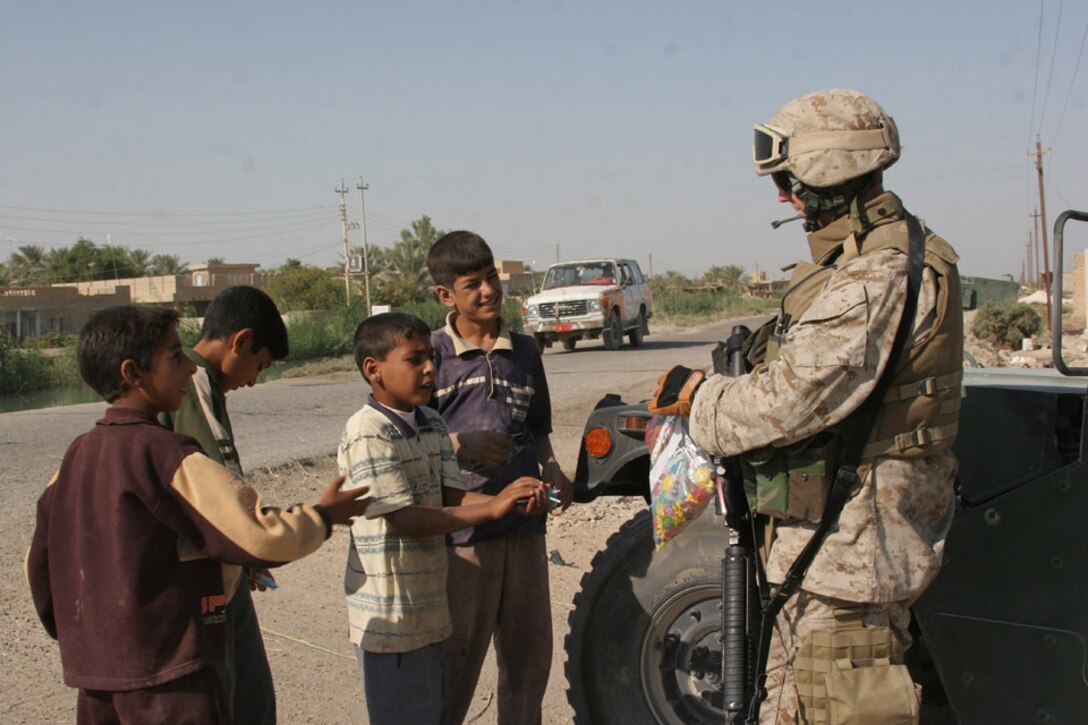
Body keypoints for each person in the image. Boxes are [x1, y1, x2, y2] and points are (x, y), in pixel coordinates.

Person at [649, 89, 962, 724]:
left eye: (790, 180)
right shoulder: (866, 259)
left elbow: (786, 403)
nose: (784, 197)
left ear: (829, 173)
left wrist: (699, 399)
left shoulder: (878, 273)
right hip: (830, 546)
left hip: (854, 553)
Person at [26, 305, 371, 724]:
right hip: (171, 670)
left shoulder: (74, 457)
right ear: (133, 374)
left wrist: (81, 635)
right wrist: (322, 516)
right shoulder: (166, 453)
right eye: (175, 356)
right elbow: (256, 536)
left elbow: (40, 565)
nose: (190, 368)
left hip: (98, 673)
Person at [339, 311, 546, 725]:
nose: (431, 368)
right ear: (373, 370)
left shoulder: (431, 422)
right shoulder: (369, 432)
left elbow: (450, 496)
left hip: (431, 616)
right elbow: (407, 518)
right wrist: (491, 506)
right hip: (392, 622)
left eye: (431, 358)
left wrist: (508, 500)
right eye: (415, 360)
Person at [425, 231, 574, 725]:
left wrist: (552, 473)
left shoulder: (527, 351)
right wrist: (457, 445)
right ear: (447, 295)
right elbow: (407, 441)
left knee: (528, 662)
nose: (489, 291)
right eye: (474, 285)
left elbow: (538, 430)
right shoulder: (429, 356)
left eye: (492, 278)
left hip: (526, 532)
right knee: (455, 665)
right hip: (465, 537)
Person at [159, 285, 287, 724]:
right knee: (230, 701)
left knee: (246, 697)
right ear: (241, 341)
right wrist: (257, 539)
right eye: (259, 365)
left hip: (225, 569)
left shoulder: (204, 383)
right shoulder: (193, 380)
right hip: (201, 577)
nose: (253, 380)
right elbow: (216, 485)